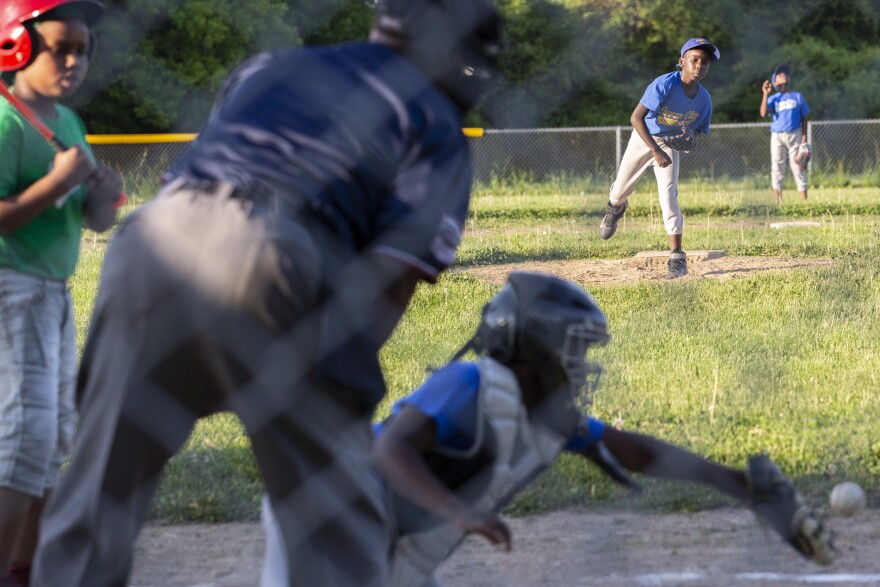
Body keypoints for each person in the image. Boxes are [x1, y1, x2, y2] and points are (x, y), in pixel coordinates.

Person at [31, 1, 503, 586]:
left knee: (99, 491)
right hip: (277, 249)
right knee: (337, 524)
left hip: (153, 240)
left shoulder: (271, 67)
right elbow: (385, 281)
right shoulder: (434, 121)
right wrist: (333, 392)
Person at [262, 272, 833, 587]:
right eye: (573, 349)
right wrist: (459, 512)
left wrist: (739, 484)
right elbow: (391, 449)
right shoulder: (470, 384)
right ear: (532, 350)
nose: (582, 364)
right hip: (325, 520)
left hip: (395, 549)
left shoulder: (545, 417)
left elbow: (631, 450)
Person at [0, 0, 122, 584]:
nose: (74, 60)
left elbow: (93, 220)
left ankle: (31, 571)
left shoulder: (67, 124)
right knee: (23, 439)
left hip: (52, 291)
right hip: (8, 287)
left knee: (51, 439)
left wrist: (101, 194)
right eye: (60, 47)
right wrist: (55, 183)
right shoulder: (4, 119)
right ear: (16, 46)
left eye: (83, 50)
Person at [599, 38, 719, 279]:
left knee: (669, 195)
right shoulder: (664, 84)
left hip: (669, 143)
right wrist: (655, 150)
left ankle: (676, 257)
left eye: (704, 62)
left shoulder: (704, 99)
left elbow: (696, 133)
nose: (699, 65)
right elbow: (636, 118)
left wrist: (690, 140)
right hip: (644, 138)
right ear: (681, 61)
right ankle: (615, 208)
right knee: (620, 189)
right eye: (694, 60)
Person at [760, 64, 811, 203]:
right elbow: (763, 113)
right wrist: (765, 94)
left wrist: (804, 140)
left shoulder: (797, 96)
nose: (783, 75)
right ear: (774, 81)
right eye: (779, 74)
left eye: (785, 73)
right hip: (777, 136)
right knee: (777, 167)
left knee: (798, 168)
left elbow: (805, 118)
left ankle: (804, 202)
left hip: (795, 134)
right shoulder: (774, 98)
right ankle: (778, 202)